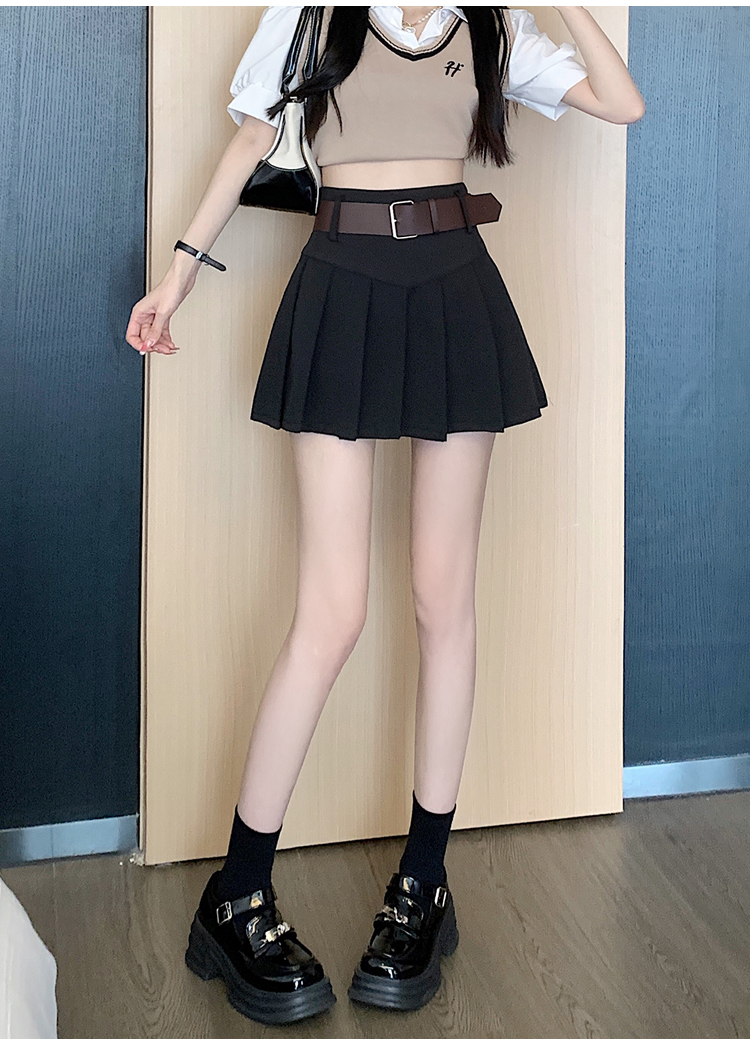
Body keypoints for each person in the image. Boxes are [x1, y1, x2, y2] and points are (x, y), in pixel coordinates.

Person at [126, 4, 644, 1026]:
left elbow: (622, 103)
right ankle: (236, 893)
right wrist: (174, 281)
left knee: (444, 600)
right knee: (333, 613)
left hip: (456, 290)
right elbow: (251, 138)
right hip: (341, 288)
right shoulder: (313, 14)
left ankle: (423, 882)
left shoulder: (490, 26)